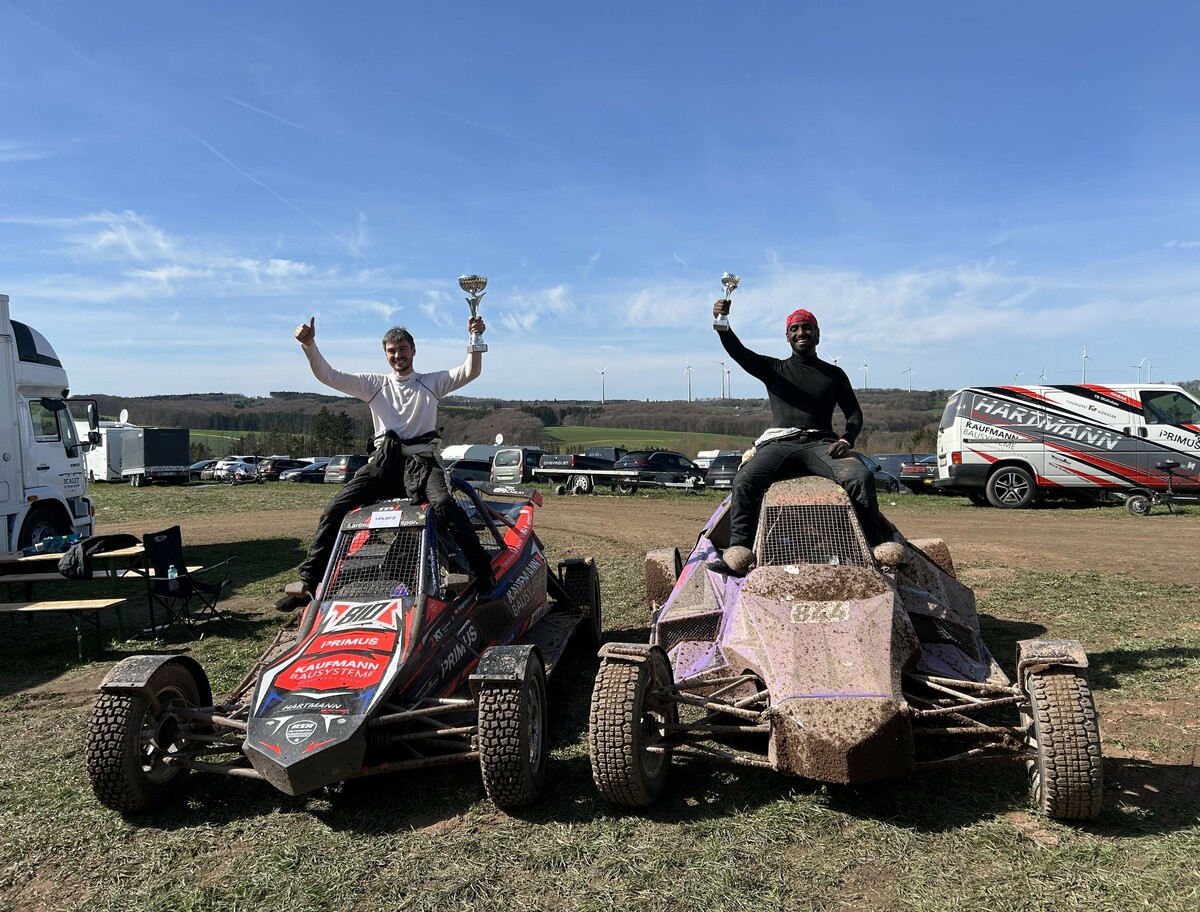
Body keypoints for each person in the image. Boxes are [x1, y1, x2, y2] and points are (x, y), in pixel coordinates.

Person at [274, 315, 495, 610]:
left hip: (423, 463)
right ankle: (308, 582)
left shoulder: (431, 383)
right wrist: (309, 345)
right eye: (391, 351)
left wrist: (475, 339)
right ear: (385, 354)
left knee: (444, 506)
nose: (397, 355)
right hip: (384, 463)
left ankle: (482, 575)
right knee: (336, 507)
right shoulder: (373, 385)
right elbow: (329, 375)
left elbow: (470, 371)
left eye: (403, 349)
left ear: (413, 351)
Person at [708, 302, 889, 576]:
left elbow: (854, 414)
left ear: (817, 334)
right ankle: (739, 552)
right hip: (779, 445)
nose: (801, 332)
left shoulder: (835, 374)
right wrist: (721, 320)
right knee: (745, 479)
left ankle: (876, 551)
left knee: (860, 477)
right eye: (795, 329)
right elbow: (738, 351)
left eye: (807, 328)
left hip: (821, 445)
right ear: (788, 336)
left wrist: (847, 440)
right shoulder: (774, 369)